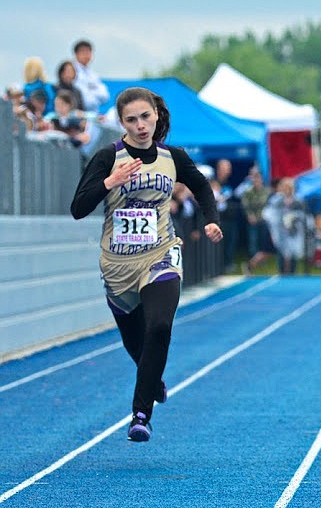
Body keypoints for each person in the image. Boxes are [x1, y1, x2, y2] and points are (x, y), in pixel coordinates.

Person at [69, 87, 223, 442]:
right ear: (121, 123)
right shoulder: (108, 157)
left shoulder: (173, 157)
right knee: (137, 344)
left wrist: (211, 219)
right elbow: (78, 208)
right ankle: (151, 377)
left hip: (161, 253)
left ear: (156, 115)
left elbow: (201, 186)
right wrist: (110, 182)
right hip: (118, 264)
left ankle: (140, 414)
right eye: (131, 120)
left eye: (145, 117)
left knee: (159, 328)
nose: (140, 125)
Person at [72, 39, 110, 113]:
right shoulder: (72, 72)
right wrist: (94, 91)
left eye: (89, 51)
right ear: (76, 54)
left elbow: (105, 96)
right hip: (78, 114)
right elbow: (85, 100)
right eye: (83, 52)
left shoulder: (93, 75)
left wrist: (90, 92)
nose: (86, 54)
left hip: (93, 114)